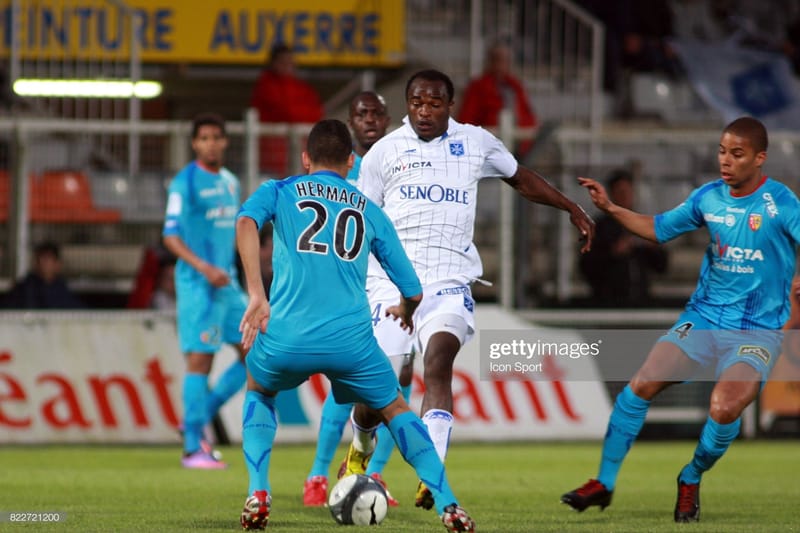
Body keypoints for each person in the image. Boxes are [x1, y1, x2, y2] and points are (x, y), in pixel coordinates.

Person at [340, 69, 595, 511]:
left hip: (448, 281)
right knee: (379, 390)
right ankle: (361, 444)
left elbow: (520, 177)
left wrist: (570, 206)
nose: (424, 111)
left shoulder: (475, 142)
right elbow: (363, 220)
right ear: (407, 106)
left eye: (434, 103)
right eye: (417, 103)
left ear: (450, 105)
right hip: (390, 285)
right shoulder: (384, 152)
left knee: (439, 363)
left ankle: (432, 474)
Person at [235, 118, 475, 532]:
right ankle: (448, 504)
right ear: (351, 161)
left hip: (287, 335)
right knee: (396, 409)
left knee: (259, 388)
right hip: (351, 342)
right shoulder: (369, 209)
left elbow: (245, 222)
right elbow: (413, 290)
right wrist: (405, 310)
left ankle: (258, 491)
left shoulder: (279, 190)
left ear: (306, 158)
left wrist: (257, 293)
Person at [562, 117, 800, 522]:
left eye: (737, 154)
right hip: (704, 319)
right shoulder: (708, 197)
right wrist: (612, 209)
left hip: (756, 331)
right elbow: (657, 229)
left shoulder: (782, 203)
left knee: (724, 408)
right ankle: (603, 481)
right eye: (722, 151)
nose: (725, 161)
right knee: (642, 383)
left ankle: (691, 476)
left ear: (760, 158)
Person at [302, 91, 412, 507]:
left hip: (389, 282)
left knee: (400, 376)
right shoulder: (340, 166)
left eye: (376, 113)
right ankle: (317, 474)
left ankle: (373, 472)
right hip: (349, 286)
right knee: (347, 382)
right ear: (350, 121)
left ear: (387, 119)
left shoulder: (401, 160)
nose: (369, 119)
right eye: (361, 113)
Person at [162, 112, 249, 469]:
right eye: (204, 138)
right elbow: (170, 236)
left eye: (216, 137)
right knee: (201, 360)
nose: (211, 144)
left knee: (255, 352)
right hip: (198, 285)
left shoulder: (230, 182)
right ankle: (191, 449)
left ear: (225, 141)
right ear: (194, 144)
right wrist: (204, 268)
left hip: (228, 285)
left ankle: (195, 420)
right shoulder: (184, 183)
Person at [578, 169, 668, 306]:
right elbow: (586, 266)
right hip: (608, 301)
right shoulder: (599, 227)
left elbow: (662, 267)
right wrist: (614, 252)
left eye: (628, 192)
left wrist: (653, 248)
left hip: (640, 301)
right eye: (620, 192)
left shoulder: (642, 224)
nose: (625, 196)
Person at [249, 43, 324, 177]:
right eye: (283, 62)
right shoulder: (266, 86)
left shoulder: (302, 87)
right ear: (273, 64)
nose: (288, 65)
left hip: (299, 158)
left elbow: (318, 113)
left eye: (290, 61)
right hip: (272, 160)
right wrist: (301, 115)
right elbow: (287, 112)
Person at [457, 42, 538, 158]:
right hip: (488, 146)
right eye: (497, 60)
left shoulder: (515, 87)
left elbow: (528, 115)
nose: (501, 64)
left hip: (518, 144)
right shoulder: (478, 87)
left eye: (505, 60)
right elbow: (466, 119)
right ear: (490, 62)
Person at [2, 241, 84, 309]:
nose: (43, 264)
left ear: (57, 264)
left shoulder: (62, 291)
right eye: (40, 260)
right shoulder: (24, 289)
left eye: (47, 259)